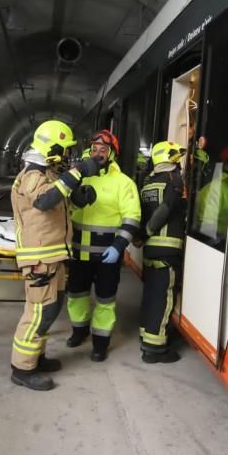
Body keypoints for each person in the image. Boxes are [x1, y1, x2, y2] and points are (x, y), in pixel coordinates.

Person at [10, 119, 98, 391]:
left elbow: (59, 198)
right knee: (39, 313)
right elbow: (45, 200)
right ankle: (22, 369)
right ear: (53, 146)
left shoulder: (47, 173)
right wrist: (77, 172)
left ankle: (36, 357)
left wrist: (80, 194)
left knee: (51, 309)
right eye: (66, 148)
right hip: (39, 259)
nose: (69, 154)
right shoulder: (32, 175)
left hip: (53, 256)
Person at [66, 129, 141, 362]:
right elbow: (64, 211)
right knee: (76, 295)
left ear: (112, 154)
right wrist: (73, 201)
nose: (98, 153)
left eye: (104, 150)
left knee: (105, 299)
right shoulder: (79, 176)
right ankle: (79, 331)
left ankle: (100, 343)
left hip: (108, 253)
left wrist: (119, 246)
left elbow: (132, 217)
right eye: (95, 149)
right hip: (79, 251)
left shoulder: (124, 183)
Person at [138, 141, 187, 364]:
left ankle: (146, 334)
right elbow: (165, 210)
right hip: (167, 249)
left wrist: (144, 235)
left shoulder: (148, 184)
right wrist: (149, 230)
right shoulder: (173, 182)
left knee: (151, 295)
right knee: (163, 299)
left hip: (150, 250)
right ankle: (154, 349)